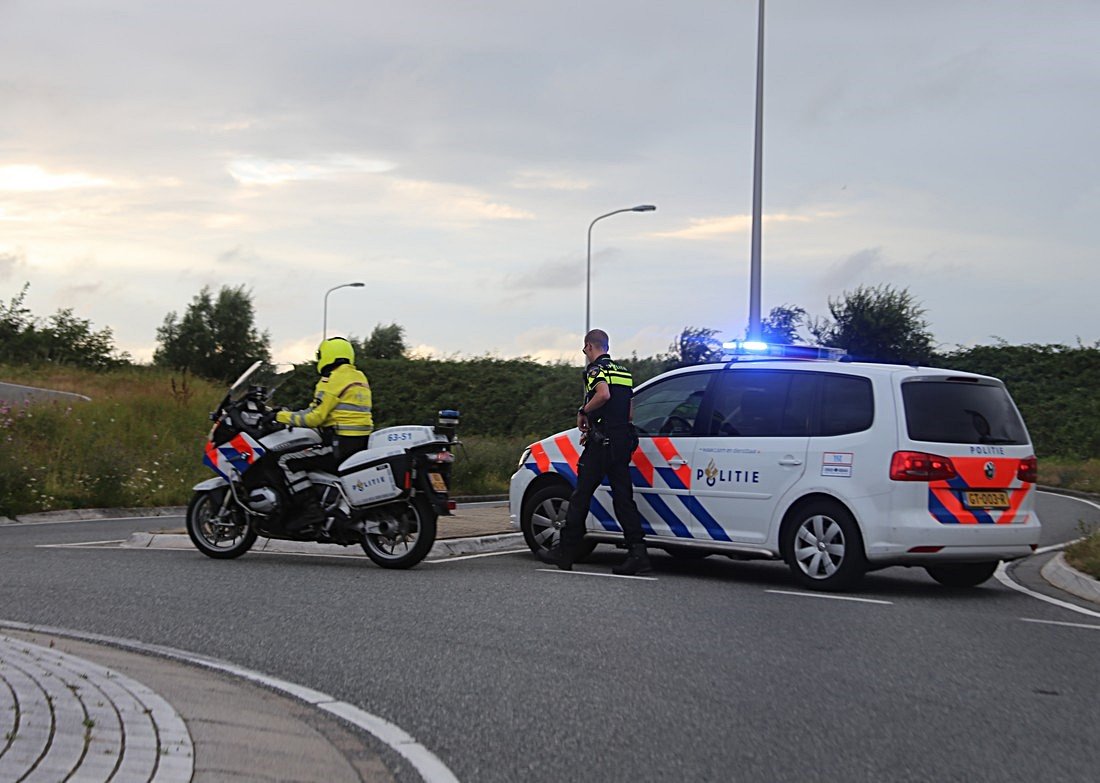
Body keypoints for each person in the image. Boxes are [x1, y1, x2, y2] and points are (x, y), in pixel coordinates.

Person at [540, 329, 651, 575]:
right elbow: (629, 412)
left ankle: (566, 552)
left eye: (584, 349)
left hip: (602, 445)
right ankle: (637, 552)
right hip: (622, 441)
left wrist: (583, 411)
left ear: (590, 346)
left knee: (581, 497)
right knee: (624, 499)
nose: (585, 353)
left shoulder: (595, 371)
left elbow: (603, 394)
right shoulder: (624, 372)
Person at [269, 336, 374, 534]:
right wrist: (293, 414)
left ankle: (310, 511)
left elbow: (315, 418)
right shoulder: (359, 377)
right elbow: (318, 410)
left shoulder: (331, 379)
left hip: (338, 444)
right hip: (358, 443)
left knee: (286, 461)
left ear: (327, 356)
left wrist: (279, 416)